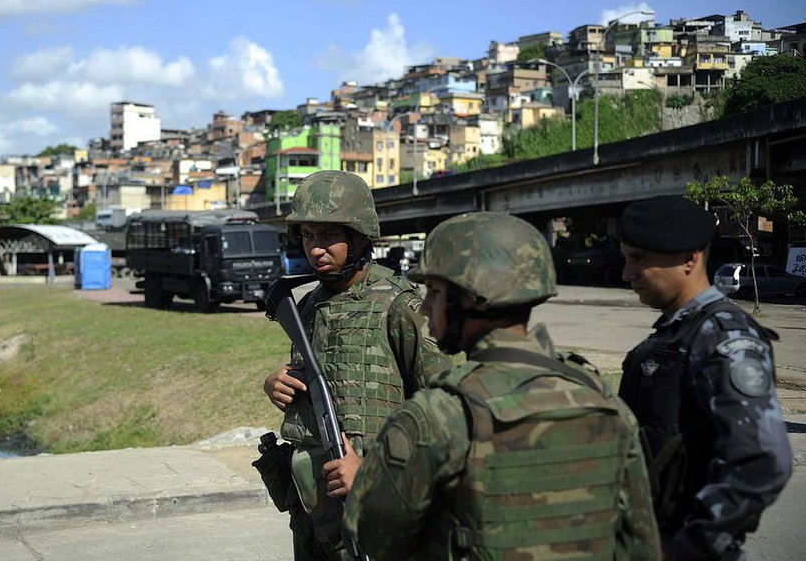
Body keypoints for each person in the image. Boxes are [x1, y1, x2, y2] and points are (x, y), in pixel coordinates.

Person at [345, 212, 661, 561]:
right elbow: (640, 544)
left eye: (434, 291)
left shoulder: (437, 415)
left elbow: (375, 538)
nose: (425, 306)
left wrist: (364, 479)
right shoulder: (600, 399)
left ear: (471, 299)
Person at [262, 170, 453, 560]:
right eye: (308, 236)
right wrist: (277, 382)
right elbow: (323, 377)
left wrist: (373, 472)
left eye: (329, 236)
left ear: (360, 237)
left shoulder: (400, 306)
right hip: (314, 508)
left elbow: (445, 414)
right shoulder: (308, 305)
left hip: (377, 504)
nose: (316, 250)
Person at [617, 195, 792, 560]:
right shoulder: (677, 332)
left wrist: (694, 545)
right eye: (626, 259)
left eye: (640, 260)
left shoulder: (723, 336)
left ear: (689, 258)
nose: (627, 274)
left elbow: (763, 460)